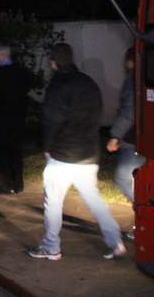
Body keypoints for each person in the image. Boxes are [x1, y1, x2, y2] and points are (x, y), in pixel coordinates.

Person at [27, 42, 126, 261]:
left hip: (63, 156)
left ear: (53, 62)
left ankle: (51, 247)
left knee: (53, 202)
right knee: (94, 200)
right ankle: (115, 241)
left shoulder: (58, 85)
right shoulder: (89, 83)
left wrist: (47, 148)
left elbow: (51, 121)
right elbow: (97, 116)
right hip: (88, 155)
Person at [0, 45, 33, 195]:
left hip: (0, 120)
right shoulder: (22, 72)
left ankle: (5, 184)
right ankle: (17, 185)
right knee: (15, 152)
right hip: (18, 120)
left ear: (3, 56)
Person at [106, 47, 145, 240]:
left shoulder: (133, 78)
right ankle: (143, 219)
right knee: (137, 181)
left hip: (132, 140)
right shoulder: (144, 76)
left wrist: (115, 135)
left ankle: (145, 216)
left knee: (123, 177)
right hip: (140, 139)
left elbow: (130, 110)